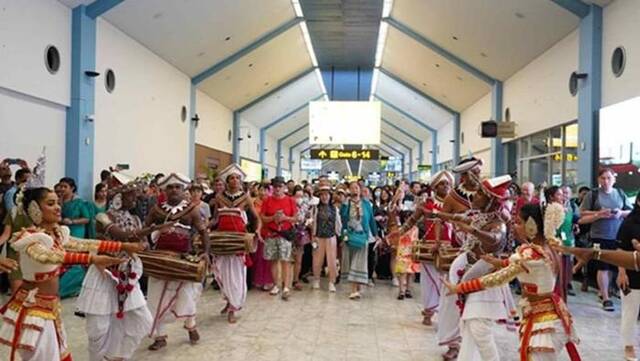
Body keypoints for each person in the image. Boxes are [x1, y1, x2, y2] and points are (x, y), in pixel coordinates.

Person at [0, 187, 135, 361]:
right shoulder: (30, 238)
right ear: (34, 209)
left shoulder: (56, 234)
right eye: (51, 203)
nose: (57, 207)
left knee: (54, 353)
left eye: (58, 203)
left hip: (50, 306)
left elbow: (83, 244)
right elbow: (47, 256)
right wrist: (92, 260)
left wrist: (122, 246)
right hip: (34, 306)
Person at [443, 202, 581, 361]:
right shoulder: (548, 245)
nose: (515, 227)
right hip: (546, 313)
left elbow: (498, 278)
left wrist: (460, 288)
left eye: (519, 222)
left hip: (544, 320)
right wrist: (497, 263)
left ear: (531, 224)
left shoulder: (531, 253)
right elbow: (519, 266)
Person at [78, 181, 167, 361]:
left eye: (136, 194)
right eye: (131, 195)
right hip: (104, 274)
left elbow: (139, 242)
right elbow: (125, 237)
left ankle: (119, 356)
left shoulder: (134, 219)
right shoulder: (103, 217)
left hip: (127, 275)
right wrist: (153, 229)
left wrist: (145, 243)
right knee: (99, 329)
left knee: (143, 321)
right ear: (118, 198)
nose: (135, 198)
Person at [432, 175, 512, 361]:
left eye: (480, 194)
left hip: (483, 285)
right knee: (470, 329)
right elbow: (455, 217)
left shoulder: (497, 223)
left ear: (491, 200)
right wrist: (436, 214)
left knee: (479, 330)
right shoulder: (479, 216)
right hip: (471, 283)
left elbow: (495, 238)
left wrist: (473, 231)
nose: (474, 197)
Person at [145, 173, 210, 350]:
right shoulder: (156, 210)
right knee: (156, 297)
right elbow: (144, 230)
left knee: (187, 295)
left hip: (184, 259)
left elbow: (203, 232)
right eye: (170, 187)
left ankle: (191, 325)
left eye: (178, 187)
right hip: (160, 259)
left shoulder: (192, 210)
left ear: (184, 190)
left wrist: (205, 252)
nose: (174, 190)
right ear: (164, 190)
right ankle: (160, 336)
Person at [436, 156, 483, 360]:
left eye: (480, 172)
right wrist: (439, 242)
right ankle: (454, 342)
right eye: (476, 173)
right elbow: (440, 218)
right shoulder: (453, 197)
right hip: (462, 252)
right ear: (465, 175)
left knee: (483, 300)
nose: (479, 176)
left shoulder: (489, 193)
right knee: (453, 296)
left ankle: (478, 343)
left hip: (486, 254)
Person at [393, 170, 454, 325]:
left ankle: (444, 313)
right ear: (434, 187)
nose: (445, 187)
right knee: (428, 283)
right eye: (442, 184)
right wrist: (399, 233)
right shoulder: (426, 204)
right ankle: (428, 312)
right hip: (428, 248)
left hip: (449, 249)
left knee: (446, 281)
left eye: (447, 184)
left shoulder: (455, 204)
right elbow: (412, 220)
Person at [210, 164, 261, 323]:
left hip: (238, 239)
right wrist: (206, 226)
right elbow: (215, 220)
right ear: (227, 181)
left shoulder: (246, 197)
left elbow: (256, 218)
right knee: (223, 273)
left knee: (237, 274)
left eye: (238, 178)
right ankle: (228, 300)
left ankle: (234, 307)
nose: (235, 180)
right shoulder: (219, 198)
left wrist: (257, 230)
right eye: (232, 178)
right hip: (222, 239)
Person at [579, 168, 632, 311]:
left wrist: (620, 213)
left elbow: (630, 211)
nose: (606, 181)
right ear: (598, 179)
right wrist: (599, 214)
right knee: (602, 267)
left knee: (614, 267)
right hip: (599, 235)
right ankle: (606, 298)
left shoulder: (620, 194)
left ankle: (605, 291)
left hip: (617, 236)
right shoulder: (593, 194)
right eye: (603, 178)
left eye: (609, 178)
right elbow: (582, 213)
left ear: (614, 179)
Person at [261, 176, 297, 300]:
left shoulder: (290, 200)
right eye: (275, 186)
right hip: (271, 233)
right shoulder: (267, 200)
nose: (277, 189)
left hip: (285, 233)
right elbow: (263, 217)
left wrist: (285, 218)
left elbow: (295, 218)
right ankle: (276, 284)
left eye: (280, 186)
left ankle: (286, 286)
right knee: (273, 260)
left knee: (285, 260)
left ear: (284, 187)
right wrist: (273, 218)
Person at [341, 181, 378, 300]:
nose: (354, 190)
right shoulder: (346, 204)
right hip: (350, 236)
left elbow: (371, 220)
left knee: (360, 261)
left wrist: (376, 234)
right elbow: (343, 219)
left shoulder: (366, 204)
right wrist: (345, 205)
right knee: (351, 261)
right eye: (352, 188)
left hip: (363, 236)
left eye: (356, 188)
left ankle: (356, 288)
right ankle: (354, 288)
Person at [57, 177, 93, 298]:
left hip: (76, 231)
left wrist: (72, 221)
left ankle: (70, 287)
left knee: (74, 261)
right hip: (62, 232)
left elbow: (87, 218)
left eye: (65, 186)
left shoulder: (79, 202)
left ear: (72, 188)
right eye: (60, 186)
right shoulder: (58, 201)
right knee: (63, 260)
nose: (62, 189)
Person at [614, 194, 640, 361]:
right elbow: (619, 250)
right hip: (632, 273)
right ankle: (628, 345)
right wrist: (621, 272)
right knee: (630, 311)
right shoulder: (630, 223)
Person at [311, 185, 341, 292]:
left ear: (330, 196)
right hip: (319, 237)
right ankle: (316, 279)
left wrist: (339, 234)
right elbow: (314, 222)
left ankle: (331, 281)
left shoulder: (334, 209)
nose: (324, 197)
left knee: (332, 260)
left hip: (331, 237)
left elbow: (338, 223)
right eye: (322, 195)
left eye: (326, 195)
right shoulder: (316, 209)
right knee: (317, 260)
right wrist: (313, 236)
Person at [251, 183, 274, 290]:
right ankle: (258, 280)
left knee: (268, 258)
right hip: (257, 232)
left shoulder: (271, 202)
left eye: (265, 190)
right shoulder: (253, 202)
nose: (263, 192)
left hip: (269, 232)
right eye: (261, 190)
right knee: (258, 257)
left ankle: (268, 281)